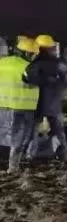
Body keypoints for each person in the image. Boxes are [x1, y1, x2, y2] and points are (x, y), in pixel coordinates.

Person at [23, 34, 67, 162]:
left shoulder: (34, 64)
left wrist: (43, 81)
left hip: (37, 102)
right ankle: (64, 154)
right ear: (51, 48)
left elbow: (27, 79)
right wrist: (54, 84)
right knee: (59, 130)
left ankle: (29, 155)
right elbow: (65, 81)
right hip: (54, 103)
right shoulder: (59, 63)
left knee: (33, 130)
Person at [0, 36, 40, 174]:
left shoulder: (2, 63)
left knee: (2, 134)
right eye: (34, 54)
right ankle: (13, 168)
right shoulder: (30, 67)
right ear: (28, 52)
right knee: (19, 139)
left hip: (2, 105)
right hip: (23, 107)